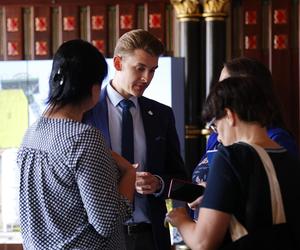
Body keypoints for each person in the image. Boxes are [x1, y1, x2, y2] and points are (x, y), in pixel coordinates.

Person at [17, 39, 136, 250]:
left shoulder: (31, 134)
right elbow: (106, 222)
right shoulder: (83, 137)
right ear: (93, 89)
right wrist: (129, 173)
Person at [165, 76, 300, 250]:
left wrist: (181, 220)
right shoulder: (290, 159)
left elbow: (202, 242)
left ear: (229, 115)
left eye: (216, 125)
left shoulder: (231, 156)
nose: (218, 136)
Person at [83, 29, 188, 250]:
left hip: (150, 236)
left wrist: (158, 183)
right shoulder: (86, 114)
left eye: (152, 70)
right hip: (100, 238)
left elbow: (180, 179)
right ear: (118, 63)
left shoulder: (162, 115)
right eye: (140, 68)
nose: (146, 78)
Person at [193, 57, 299, 185]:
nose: (218, 91)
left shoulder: (275, 139)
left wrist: (212, 194)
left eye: (225, 84)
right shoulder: (216, 136)